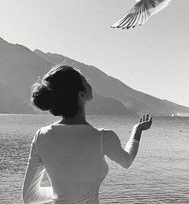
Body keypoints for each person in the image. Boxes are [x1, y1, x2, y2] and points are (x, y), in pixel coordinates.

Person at [22, 65, 152, 204]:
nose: (90, 84)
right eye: (86, 81)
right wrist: (137, 130)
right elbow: (127, 161)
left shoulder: (41, 136)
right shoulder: (103, 137)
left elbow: (30, 196)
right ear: (81, 94)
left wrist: (62, 194)